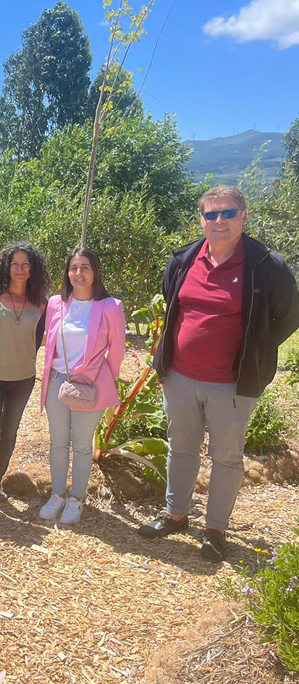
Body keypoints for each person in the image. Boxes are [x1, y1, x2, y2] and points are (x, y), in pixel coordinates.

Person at [139, 186, 299, 561]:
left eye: (227, 213)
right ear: (202, 220)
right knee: (181, 448)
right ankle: (176, 514)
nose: (219, 221)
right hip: (179, 376)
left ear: (244, 216)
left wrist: (256, 348)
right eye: (211, 215)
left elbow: (290, 315)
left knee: (226, 457)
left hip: (233, 383)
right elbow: (173, 302)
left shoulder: (266, 266)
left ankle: (215, 530)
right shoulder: (184, 259)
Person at [39, 247, 126, 526]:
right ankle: (57, 495)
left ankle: (76, 499)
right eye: (74, 268)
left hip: (89, 386)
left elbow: (118, 351)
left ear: (95, 272)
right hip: (56, 382)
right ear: (68, 273)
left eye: (85, 267)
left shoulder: (111, 307)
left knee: (83, 446)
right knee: (58, 442)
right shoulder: (56, 303)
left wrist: (102, 382)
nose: (79, 273)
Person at [0, 243, 49, 503]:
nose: (20, 269)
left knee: (9, 432)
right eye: (15, 264)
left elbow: (36, 339)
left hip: (22, 379)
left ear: (32, 269)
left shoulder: (41, 304)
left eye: (25, 264)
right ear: (6, 266)